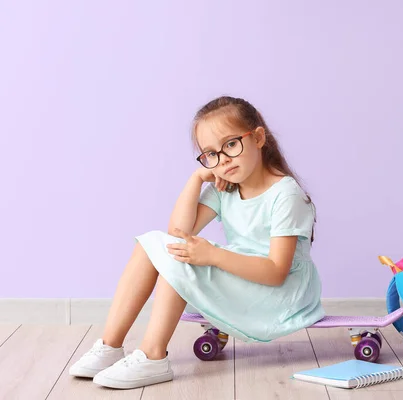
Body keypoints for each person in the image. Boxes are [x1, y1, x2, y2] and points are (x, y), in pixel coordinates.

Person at [68, 96, 325, 390]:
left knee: (181, 258)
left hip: (281, 296)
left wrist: (212, 256)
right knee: (154, 245)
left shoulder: (285, 194)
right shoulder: (226, 186)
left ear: (258, 137)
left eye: (230, 144)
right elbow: (178, 231)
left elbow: (276, 271)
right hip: (244, 280)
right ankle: (110, 346)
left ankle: (153, 355)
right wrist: (196, 179)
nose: (223, 160)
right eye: (210, 154)